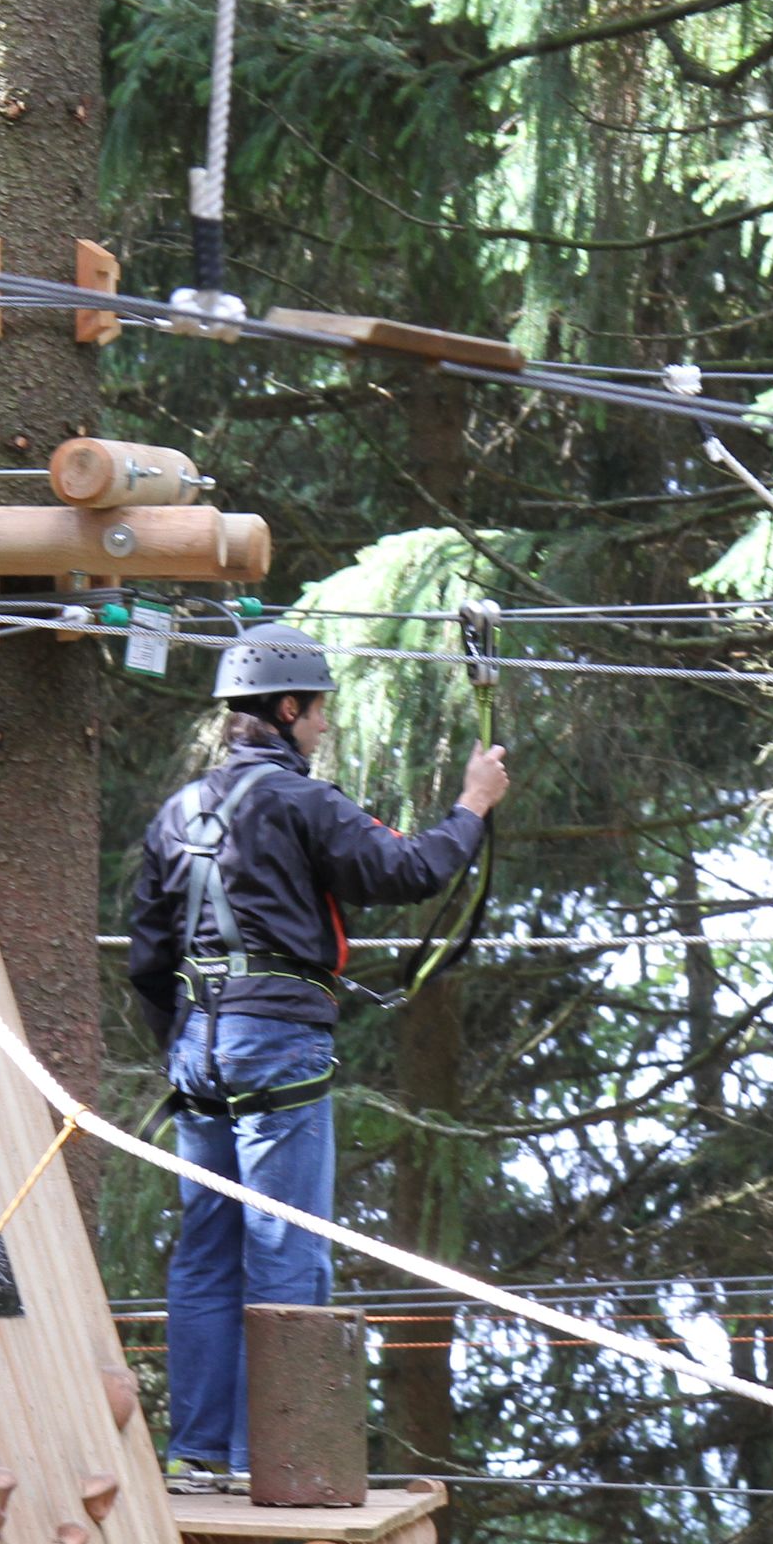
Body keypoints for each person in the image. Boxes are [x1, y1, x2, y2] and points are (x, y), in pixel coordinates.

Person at [123, 622, 510, 1479]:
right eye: (318, 713)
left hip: (199, 1046)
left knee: (209, 1245)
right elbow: (405, 871)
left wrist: (182, 1047)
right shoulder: (301, 803)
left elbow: (149, 957)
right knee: (286, 1241)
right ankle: (284, 1455)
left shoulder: (176, 814)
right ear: (288, 708)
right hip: (275, 1042)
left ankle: (198, 1453)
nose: (323, 728)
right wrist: (473, 806)